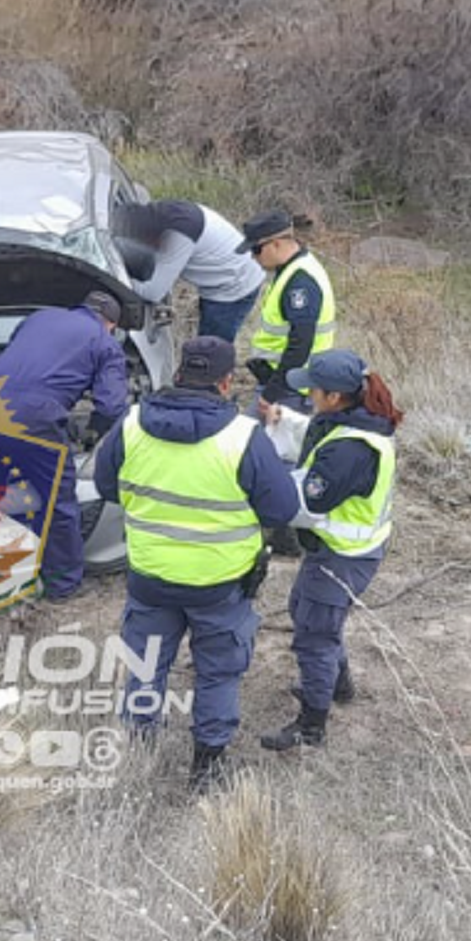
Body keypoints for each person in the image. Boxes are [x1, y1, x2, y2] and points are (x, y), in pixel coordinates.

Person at [92, 336, 300, 792]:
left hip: (149, 578)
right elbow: (282, 511)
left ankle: (137, 756)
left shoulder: (130, 426)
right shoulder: (244, 438)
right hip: (220, 584)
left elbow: (106, 485)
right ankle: (206, 766)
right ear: (227, 383)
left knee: (146, 666)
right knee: (218, 672)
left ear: (179, 374)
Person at [259, 348, 402, 752]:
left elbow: (307, 501)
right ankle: (338, 685)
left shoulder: (352, 451)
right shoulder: (353, 423)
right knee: (304, 611)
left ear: (334, 397)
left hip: (343, 554)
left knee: (314, 636)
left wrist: (263, 476)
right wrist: (283, 421)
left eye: (313, 391)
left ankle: (312, 726)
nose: (308, 397)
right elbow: (320, 435)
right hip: (341, 551)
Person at [0, 290, 129, 602]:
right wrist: (93, 433)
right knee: (56, 503)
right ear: (111, 325)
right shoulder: (105, 343)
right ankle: (61, 586)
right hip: (35, 419)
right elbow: (111, 406)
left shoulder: (38, 317)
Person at [115, 200, 266, 341]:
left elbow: (153, 292)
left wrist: (112, 276)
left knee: (210, 352)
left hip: (235, 287)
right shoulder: (161, 213)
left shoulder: (178, 236)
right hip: (229, 272)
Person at [238, 210, 336, 410]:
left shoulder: (299, 282)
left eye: (256, 250)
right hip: (285, 384)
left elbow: (301, 343)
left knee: (254, 440)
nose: (253, 257)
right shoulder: (292, 269)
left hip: (289, 390)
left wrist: (273, 392)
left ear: (276, 243)